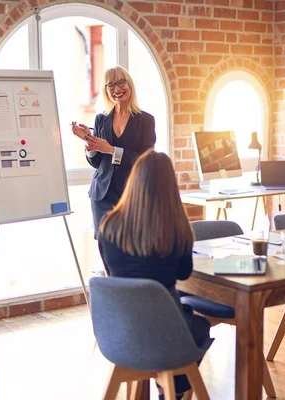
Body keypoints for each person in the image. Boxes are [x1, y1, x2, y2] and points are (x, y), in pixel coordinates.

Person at [97, 150, 211, 400]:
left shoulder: (108, 226)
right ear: (170, 188)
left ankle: (166, 389)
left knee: (179, 324)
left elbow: (110, 271)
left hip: (121, 335)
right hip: (165, 337)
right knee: (200, 326)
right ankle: (171, 391)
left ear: (133, 181)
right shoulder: (176, 231)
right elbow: (184, 273)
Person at [72, 66, 156, 239]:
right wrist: (89, 140)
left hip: (132, 194)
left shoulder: (145, 120)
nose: (116, 89)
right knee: (107, 250)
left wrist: (111, 150)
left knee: (131, 247)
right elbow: (97, 163)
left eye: (121, 83)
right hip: (103, 195)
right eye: (110, 86)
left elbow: (146, 160)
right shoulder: (101, 119)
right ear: (106, 91)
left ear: (130, 85)